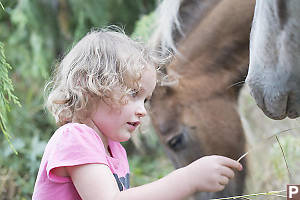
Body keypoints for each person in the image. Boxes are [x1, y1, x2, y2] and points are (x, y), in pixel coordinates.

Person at [32, 27, 243, 200]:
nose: (142, 110)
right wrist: (187, 179)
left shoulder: (114, 150)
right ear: (89, 86)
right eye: (133, 93)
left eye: (146, 100)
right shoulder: (75, 138)